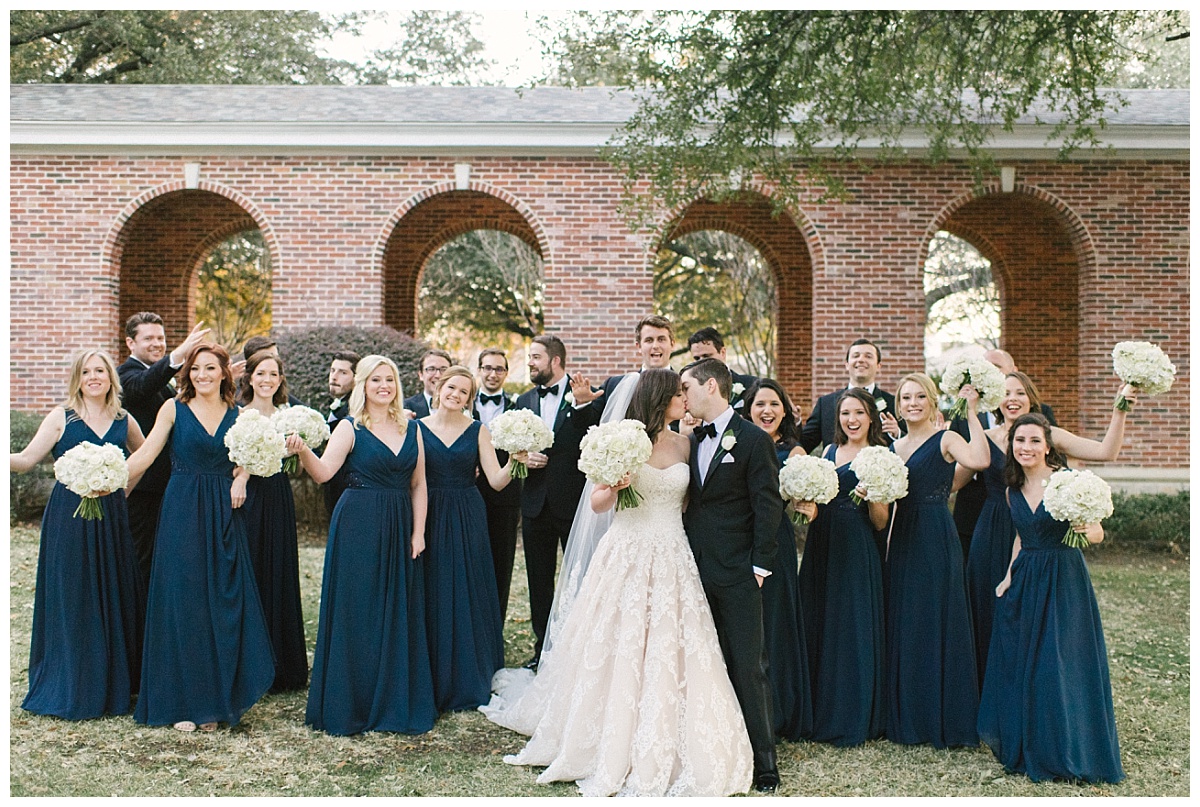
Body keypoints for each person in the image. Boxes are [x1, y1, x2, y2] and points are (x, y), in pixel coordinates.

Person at [482, 369, 753, 796]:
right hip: (626, 548)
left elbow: (689, 503)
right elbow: (596, 501)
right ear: (660, 398)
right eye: (678, 393)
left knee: (673, 643)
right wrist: (617, 485)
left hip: (672, 553)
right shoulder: (623, 440)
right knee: (616, 640)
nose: (685, 398)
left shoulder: (688, 443)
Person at [126, 342, 274, 732]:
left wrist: (241, 477)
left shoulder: (239, 415)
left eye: (210, 368)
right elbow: (145, 454)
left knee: (223, 598)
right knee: (183, 599)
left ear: (225, 373)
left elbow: (249, 462)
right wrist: (110, 475)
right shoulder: (172, 408)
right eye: (195, 368)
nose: (202, 375)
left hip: (225, 512)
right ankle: (181, 702)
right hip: (182, 509)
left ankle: (215, 700)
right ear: (187, 373)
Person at [977, 412, 1129, 783]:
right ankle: (1033, 744)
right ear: (1011, 447)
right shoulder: (1012, 490)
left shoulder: (1067, 483)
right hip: (1027, 579)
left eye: (1033, 441)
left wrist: (1089, 528)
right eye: (1019, 441)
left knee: (1060, 662)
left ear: (1048, 446)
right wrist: (1008, 576)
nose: (1025, 447)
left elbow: (1097, 536)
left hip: (1064, 578)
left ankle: (1069, 748)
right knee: (1027, 664)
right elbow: (1020, 536)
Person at [288, 355, 436, 735]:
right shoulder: (349, 428)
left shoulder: (412, 428)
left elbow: (418, 485)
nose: (383, 386)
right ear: (363, 386)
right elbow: (323, 474)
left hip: (401, 521)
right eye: (375, 380)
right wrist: (303, 449)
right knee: (358, 611)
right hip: (358, 524)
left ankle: (391, 699)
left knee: (395, 607)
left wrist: (418, 532)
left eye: (389, 379)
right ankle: (350, 700)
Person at [958, 372, 1134, 690]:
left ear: (1030, 398)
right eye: (1006, 392)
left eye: (1020, 393)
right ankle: (990, 695)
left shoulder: (1047, 434)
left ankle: (1038, 691)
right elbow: (952, 482)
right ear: (995, 399)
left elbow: (1106, 452)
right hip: (993, 529)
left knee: (1039, 621)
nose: (1012, 398)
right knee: (989, 611)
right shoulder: (983, 435)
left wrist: (1119, 410)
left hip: (1038, 533)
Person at [9, 350, 146, 720]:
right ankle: (72, 680)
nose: (94, 377)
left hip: (112, 518)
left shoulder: (123, 418)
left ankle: (114, 680)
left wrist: (122, 488)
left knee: (113, 589)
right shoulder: (61, 417)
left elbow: (144, 456)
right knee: (74, 592)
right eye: (86, 372)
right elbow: (25, 460)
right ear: (77, 378)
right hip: (69, 518)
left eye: (100, 370)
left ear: (110, 378)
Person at [681, 358, 784, 792]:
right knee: (701, 663)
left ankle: (765, 764)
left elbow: (768, 504)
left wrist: (759, 565)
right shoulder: (686, 440)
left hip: (739, 572)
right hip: (690, 569)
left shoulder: (752, 440)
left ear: (710, 387)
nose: (682, 395)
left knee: (747, 665)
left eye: (686, 387)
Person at [884, 372, 989, 748]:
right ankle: (909, 713)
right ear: (898, 405)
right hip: (903, 536)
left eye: (919, 397)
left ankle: (944, 714)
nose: (912, 403)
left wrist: (972, 412)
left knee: (937, 616)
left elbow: (979, 459)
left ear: (931, 401)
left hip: (936, 534)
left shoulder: (947, 438)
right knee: (907, 618)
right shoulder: (893, 448)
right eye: (905, 398)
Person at [418, 366, 522, 711]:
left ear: (469, 399)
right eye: (451, 387)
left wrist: (516, 462)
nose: (456, 394)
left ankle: (468, 671)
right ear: (439, 387)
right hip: (429, 512)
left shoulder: (479, 430)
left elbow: (495, 480)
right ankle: (430, 671)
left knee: (465, 587)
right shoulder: (417, 428)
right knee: (431, 586)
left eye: (464, 392)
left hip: (466, 514)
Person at [795, 388, 890, 746]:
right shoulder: (830, 452)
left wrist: (874, 499)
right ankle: (818, 707)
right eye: (845, 413)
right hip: (822, 542)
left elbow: (881, 523)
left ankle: (853, 712)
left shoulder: (881, 455)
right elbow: (819, 503)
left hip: (856, 545)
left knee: (851, 626)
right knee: (820, 620)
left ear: (870, 418)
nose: (851, 420)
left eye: (859, 413)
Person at [512, 335, 598, 672]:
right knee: (539, 581)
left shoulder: (582, 396)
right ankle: (542, 650)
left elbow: (590, 436)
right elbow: (510, 448)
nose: (530, 362)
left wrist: (582, 405)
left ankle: (579, 649)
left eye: (535, 357)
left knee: (579, 578)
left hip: (573, 503)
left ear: (556, 361)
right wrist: (521, 458)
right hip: (534, 504)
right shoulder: (523, 400)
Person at [117, 313, 210, 594]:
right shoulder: (127, 375)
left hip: (167, 485)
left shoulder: (161, 378)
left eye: (161, 338)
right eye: (149, 339)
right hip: (142, 487)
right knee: (141, 558)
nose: (157, 344)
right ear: (130, 343)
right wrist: (176, 356)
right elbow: (142, 386)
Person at [742, 378, 813, 742]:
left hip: (775, 543)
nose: (766, 411)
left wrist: (809, 508)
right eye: (759, 404)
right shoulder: (734, 442)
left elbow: (805, 504)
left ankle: (779, 710)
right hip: (737, 541)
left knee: (775, 621)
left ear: (784, 411)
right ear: (748, 409)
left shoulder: (795, 453)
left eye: (773, 404)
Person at [236, 351, 308, 693]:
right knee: (250, 570)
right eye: (260, 373)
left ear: (280, 381)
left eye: (273, 375)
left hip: (277, 494)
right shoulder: (239, 415)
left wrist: (299, 450)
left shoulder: (288, 416)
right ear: (250, 378)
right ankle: (249, 662)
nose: (267, 380)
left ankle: (282, 665)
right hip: (248, 496)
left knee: (277, 570)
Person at [952, 348, 1056, 560]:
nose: (991, 372)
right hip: (982, 517)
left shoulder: (1042, 418)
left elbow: (1056, 458)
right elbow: (954, 474)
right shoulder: (967, 415)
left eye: (997, 367)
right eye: (986, 368)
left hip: (1029, 516)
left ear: (1013, 369)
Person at [471, 348, 522, 622]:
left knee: (501, 567)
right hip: (468, 495)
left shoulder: (518, 407)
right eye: (487, 368)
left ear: (506, 373)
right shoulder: (464, 404)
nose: (492, 374)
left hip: (506, 499)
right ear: (479, 370)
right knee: (470, 565)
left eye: (499, 369)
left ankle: (495, 630)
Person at [800, 338, 902, 454]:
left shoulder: (894, 403)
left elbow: (911, 445)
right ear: (847, 365)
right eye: (856, 355)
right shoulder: (826, 404)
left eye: (868, 356)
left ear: (879, 365)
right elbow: (804, 444)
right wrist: (795, 423)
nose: (861, 360)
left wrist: (897, 434)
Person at [322, 350, 360, 517]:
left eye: (343, 372)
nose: (334, 377)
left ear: (356, 378)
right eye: (332, 370)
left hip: (348, 487)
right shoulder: (334, 403)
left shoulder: (356, 408)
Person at [688, 326, 759, 412]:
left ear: (722, 353)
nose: (701, 362)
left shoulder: (752, 385)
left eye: (707, 356)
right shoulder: (690, 392)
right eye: (697, 358)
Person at [403, 349, 452, 418]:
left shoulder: (462, 406)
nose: (438, 375)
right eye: (431, 369)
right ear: (421, 375)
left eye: (443, 369)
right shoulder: (406, 407)